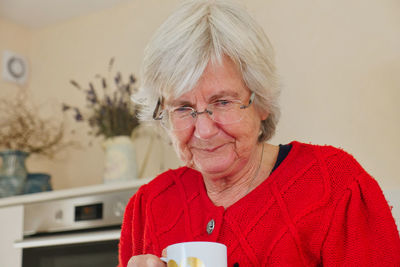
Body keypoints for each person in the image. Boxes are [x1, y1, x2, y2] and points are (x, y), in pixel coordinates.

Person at [118, 0, 400, 266]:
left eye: (223, 102)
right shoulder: (148, 206)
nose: (203, 131)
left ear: (261, 102)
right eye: (182, 108)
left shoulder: (336, 185)